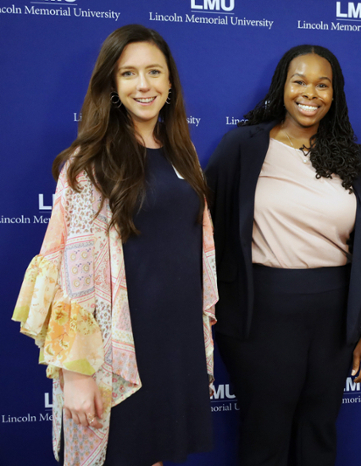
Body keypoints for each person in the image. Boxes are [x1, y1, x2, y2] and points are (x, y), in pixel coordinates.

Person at [11, 24, 217, 466]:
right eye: (128, 74)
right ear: (111, 85)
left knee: (159, 455)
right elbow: (73, 277)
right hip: (118, 345)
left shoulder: (183, 153)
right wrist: (77, 371)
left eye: (154, 72)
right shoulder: (91, 163)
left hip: (174, 340)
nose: (143, 85)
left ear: (170, 83)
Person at [205, 44, 361, 466]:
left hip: (335, 312)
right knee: (265, 431)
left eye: (322, 84)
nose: (311, 93)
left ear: (334, 93)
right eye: (299, 81)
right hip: (260, 308)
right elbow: (204, 227)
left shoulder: (358, 161)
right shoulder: (243, 147)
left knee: (319, 429)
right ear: (282, 87)